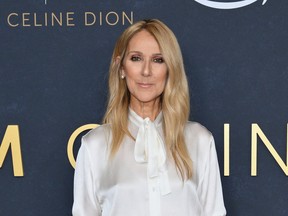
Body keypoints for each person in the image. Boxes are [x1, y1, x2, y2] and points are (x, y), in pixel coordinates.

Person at [72, 19, 226, 216]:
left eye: (158, 60)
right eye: (136, 58)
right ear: (121, 68)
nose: (146, 71)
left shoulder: (199, 140)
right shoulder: (95, 145)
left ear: (171, 69)